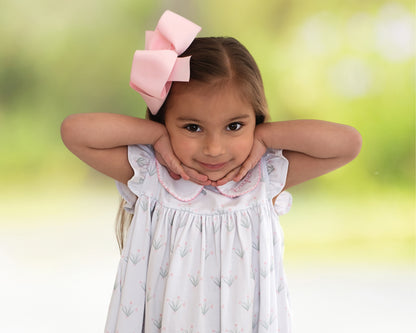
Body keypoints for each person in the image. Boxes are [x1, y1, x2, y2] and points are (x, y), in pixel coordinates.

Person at [61, 10, 361, 333]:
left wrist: (265, 137)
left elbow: (347, 143)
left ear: (254, 119)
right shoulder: (153, 176)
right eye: (193, 127)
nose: (214, 148)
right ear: (165, 121)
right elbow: (74, 131)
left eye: (234, 126)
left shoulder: (261, 178)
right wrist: (155, 136)